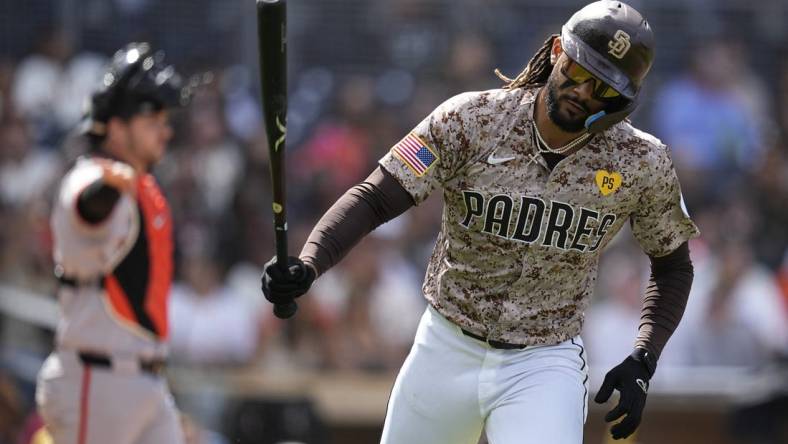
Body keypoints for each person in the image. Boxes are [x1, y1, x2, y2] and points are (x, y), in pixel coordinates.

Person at [262, 1, 699, 443]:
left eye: (603, 88)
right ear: (554, 53)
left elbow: (673, 265)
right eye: (579, 71)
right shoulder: (471, 119)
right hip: (446, 346)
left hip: (543, 362)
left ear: (624, 102)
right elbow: (376, 197)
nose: (583, 92)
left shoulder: (642, 162)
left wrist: (644, 358)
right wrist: (310, 263)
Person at [35, 42, 193, 444]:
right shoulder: (93, 176)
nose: (165, 129)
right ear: (117, 126)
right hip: (97, 379)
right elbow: (88, 205)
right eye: (152, 118)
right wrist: (110, 183)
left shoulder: (142, 186)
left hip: (147, 382)